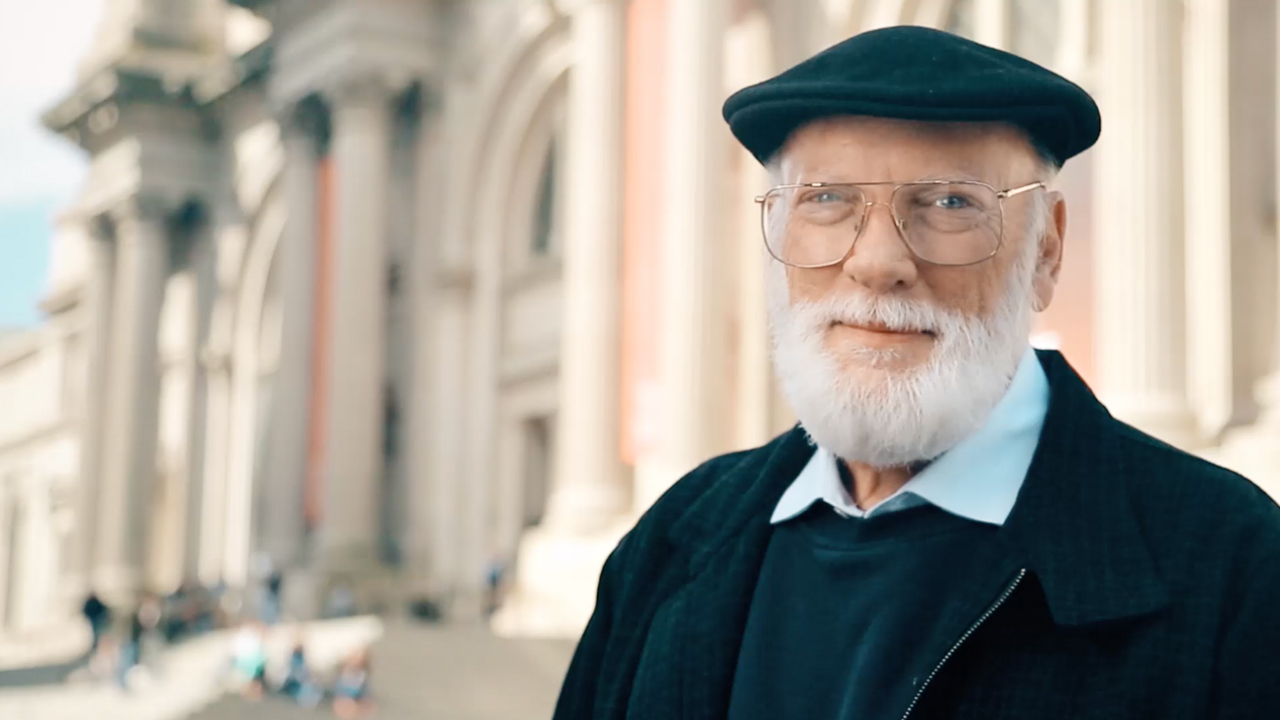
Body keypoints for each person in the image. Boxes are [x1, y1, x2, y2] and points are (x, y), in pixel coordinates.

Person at [552, 26, 1280, 720]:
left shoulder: (1232, 566)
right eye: (827, 199)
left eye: (950, 202)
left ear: (1047, 252)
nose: (877, 264)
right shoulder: (674, 539)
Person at [332, 647, 375, 719]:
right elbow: (339, 689)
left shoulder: (362, 674)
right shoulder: (344, 673)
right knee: (346, 705)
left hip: (358, 697)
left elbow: (365, 690)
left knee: (368, 705)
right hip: (344, 697)